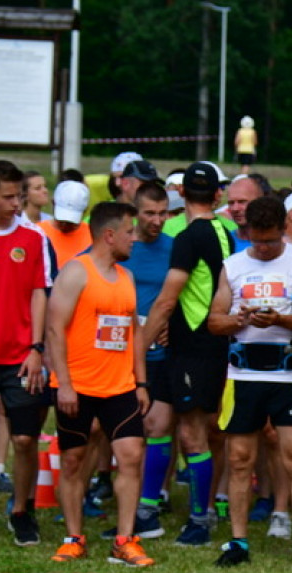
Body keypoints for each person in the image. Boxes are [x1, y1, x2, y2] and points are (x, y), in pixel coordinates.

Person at [207, 196, 292, 570]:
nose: (263, 247)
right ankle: (237, 540)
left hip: (288, 373)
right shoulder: (234, 265)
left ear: (283, 232)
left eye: (270, 241)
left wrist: (280, 320)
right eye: (256, 240)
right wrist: (240, 320)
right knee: (240, 460)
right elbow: (214, 322)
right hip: (243, 376)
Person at [46, 202, 153, 566]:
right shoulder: (76, 272)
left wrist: (140, 381)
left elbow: (134, 333)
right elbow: (54, 329)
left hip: (120, 386)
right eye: (129, 232)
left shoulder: (127, 277)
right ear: (109, 235)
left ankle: (125, 539)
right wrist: (63, 384)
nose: (134, 238)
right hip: (77, 386)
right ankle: (74, 537)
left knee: (131, 456)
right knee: (74, 461)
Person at [142, 162, 236, 546]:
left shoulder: (187, 237)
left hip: (196, 349)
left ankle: (201, 519)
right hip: (194, 345)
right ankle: (146, 511)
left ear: (181, 194)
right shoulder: (225, 232)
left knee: (193, 433)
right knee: (157, 423)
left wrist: (139, 344)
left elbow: (167, 300)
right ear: (218, 195)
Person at [0, 160, 52, 547]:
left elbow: (40, 291)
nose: (17, 204)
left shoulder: (34, 236)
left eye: (20, 195)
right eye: (8, 197)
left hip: (21, 357)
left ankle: (23, 510)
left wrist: (37, 347)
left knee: (25, 439)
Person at [112, 182, 174, 540]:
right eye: (149, 213)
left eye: (163, 213)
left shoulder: (174, 248)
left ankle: (148, 509)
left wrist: (172, 327)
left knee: (158, 427)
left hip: (162, 353)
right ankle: (121, 503)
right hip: (120, 353)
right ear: (136, 212)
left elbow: (185, 294)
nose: (157, 220)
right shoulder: (123, 247)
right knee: (124, 434)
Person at [39, 181, 92, 270]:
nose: (65, 224)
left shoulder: (93, 236)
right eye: (61, 219)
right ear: (53, 203)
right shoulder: (37, 232)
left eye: (71, 222)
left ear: (85, 211)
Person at [226, 175, 264, 249]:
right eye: (231, 203)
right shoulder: (224, 243)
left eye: (242, 202)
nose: (235, 208)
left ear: (260, 202)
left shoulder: (278, 244)